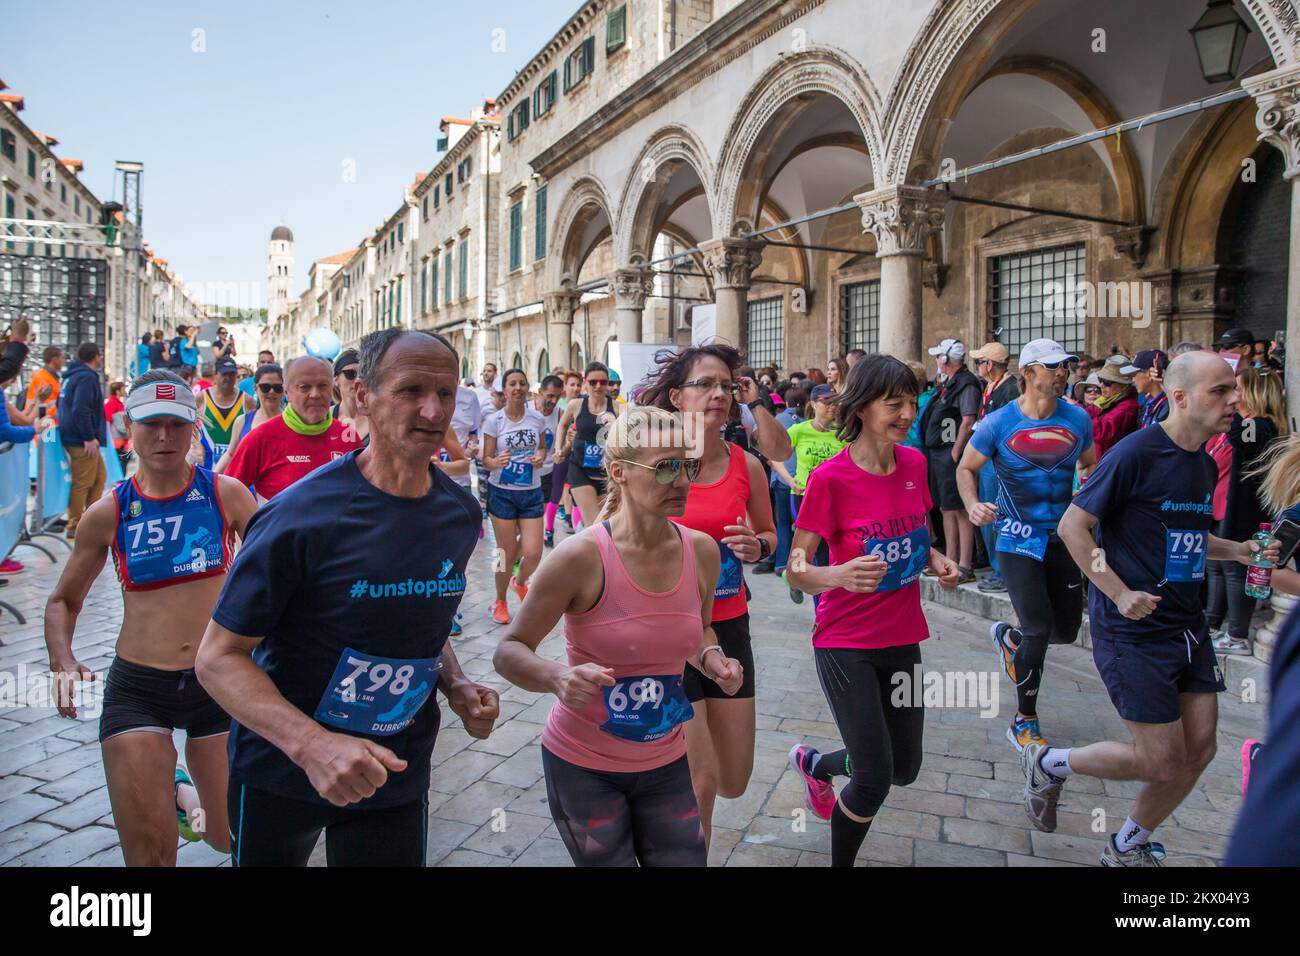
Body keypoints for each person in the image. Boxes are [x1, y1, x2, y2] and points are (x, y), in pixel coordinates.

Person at [196, 328, 500, 867]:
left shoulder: (460, 514)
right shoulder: (298, 517)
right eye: (410, 391)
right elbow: (217, 658)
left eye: (446, 393)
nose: (433, 411)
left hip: (395, 766)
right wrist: (313, 744)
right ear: (363, 395)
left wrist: (455, 683)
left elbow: (423, 621)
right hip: (282, 769)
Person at [1045, 352, 1281, 866]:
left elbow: (1188, 535)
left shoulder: (1200, 460)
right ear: (1180, 397)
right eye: (1220, 391)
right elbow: (1072, 527)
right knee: (1159, 758)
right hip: (1133, 629)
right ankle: (1049, 762)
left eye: (1233, 390)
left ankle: (1126, 843)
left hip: (1186, 625)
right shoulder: (1135, 453)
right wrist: (1118, 592)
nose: (1234, 400)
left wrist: (1237, 550)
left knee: (1199, 750)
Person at [493, 407, 744, 866]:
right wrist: (557, 678)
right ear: (619, 473)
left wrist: (711, 659)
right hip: (583, 764)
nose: (683, 480)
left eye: (688, 465)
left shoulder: (703, 552)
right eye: (665, 467)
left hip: (667, 759)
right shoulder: (580, 557)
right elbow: (509, 651)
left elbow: (700, 628)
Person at [44, 370, 258, 864]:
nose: (164, 437)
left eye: (177, 425)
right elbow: (63, 600)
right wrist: (63, 660)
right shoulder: (108, 512)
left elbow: (281, 573)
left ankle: (183, 796)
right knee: (150, 856)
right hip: (138, 688)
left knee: (227, 838)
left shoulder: (227, 495)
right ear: (128, 427)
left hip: (218, 680)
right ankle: (169, 789)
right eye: (151, 424)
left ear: (194, 427)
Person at [785, 355, 961, 866]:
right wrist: (835, 576)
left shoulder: (914, 464)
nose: (907, 413)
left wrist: (936, 558)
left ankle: (817, 765)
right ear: (860, 408)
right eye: (894, 403)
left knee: (903, 767)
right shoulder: (831, 479)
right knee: (872, 778)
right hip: (845, 642)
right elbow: (796, 566)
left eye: (912, 401)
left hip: (902, 636)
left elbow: (914, 536)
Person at [640, 343, 776, 847]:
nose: (719, 393)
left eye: (727, 385)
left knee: (733, 778)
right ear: (676, 396)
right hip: (671, 631)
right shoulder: (656, 462)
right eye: (705, 384)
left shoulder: (748, 465)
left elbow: (769, 534)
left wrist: (756, 544)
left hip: (730, 624)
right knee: (701, 782)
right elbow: (615, 535)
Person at [958, 339, 1096, 751]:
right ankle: (1025, 720)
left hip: (1064, 537)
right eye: (1054, 366)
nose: (1063, 373)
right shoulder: (999, 422)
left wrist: (1084, 489)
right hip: (1017, 538)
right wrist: (972, 504)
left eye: (1066, 366)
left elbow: (1090, 464)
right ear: (1029, 373)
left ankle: (1012, 641)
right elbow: (966, 467)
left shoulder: (1078, 418)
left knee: (1066, 631)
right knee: (1038, 627)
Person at [1205, 366, 1288, 655]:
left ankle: (1237, 635)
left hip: (1247, 510)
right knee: (1217, 566)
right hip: (1230, 506)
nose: (1231, 396)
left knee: (1236, 569)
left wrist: (1235, 414)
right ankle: (1213, 625)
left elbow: (1240, 439)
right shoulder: (1252, 423)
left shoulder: (1260, 425)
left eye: (1236, 389)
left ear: (1253, 392)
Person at [223, 356, 363, 503]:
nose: (315, 394)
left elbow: (363, 497)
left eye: (322, 386)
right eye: (304, 387)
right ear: (287, 393)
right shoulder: (260, 438)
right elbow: (226, 496)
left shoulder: (348, 436)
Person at [481, 368, 548, 625]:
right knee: (504, 553)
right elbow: (485, 460)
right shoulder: (494, 421)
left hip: (530, 492)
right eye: (512, 384)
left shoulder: (536, 419)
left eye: (521, 383)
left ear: (527, 387)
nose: (517, 388)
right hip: (502, 493)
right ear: (504, 390)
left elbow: (542, 447)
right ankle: (499, 600)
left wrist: (541, 456)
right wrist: (495, 461)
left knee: (533, 553)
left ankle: (518, 582)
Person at [920, 338, 980, 583]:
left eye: (938, 357)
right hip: (940, 454)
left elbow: (968, 420)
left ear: (945, 359)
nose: (936, 361)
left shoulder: (966, 384)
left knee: (960, 509)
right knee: (946, 508)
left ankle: (965, 563)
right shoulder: (950, 383)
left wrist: (956, 453)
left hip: (950, 455)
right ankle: (951, 558)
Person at [783, 384, 848, 603]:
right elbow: (772, 452)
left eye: (835, 402)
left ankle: (802, 582)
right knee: (810, 551)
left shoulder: (843, 434)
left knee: (829, 553)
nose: (832, 407)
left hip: (836, 501)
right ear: (813, 404)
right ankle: (801, 584)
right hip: (803, 498)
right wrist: (790, 479)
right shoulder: (800, 430)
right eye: (826, 402)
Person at [969, 341, 1019, 593]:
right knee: (987, 514)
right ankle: (997, 569)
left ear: (989, 365)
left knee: (997, 514)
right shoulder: (990, 386)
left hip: (999, 460)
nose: (977, 366)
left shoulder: (1011, 389)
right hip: (986, 457)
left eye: (979, 362)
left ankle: (1004, 573)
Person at [557, 361, 621, 527]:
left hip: (606, 473)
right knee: (595, 523)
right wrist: (559, 448)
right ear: (586, 383)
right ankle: (585, 539)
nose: (598, 386)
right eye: (593, 382)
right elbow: (563, 424)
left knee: (605, 522)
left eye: (603, 382)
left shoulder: (618, 407)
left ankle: (582, 536)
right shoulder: (576, 405)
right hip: (580, 469)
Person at [57, 342, 110, 541]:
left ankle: (90, 520)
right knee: (83, 481)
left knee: (98, 477)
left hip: (76, 436)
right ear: (95, 356)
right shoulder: (86, 378)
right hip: (82, 439)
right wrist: (88, 436)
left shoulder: (71, 377)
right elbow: (80, 408)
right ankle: (75, 525)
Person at [215, 364, 284, 474]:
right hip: (245, 489)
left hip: (280, 489)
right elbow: (230, 454)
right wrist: (212, 480)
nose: (271, 392)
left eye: (277, 388)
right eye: (265, 387)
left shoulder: (291, 422)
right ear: (255, 389)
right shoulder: (242, 421)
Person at [1086, 355, 1140, 459]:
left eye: (1107, 382)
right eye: (1100, 380)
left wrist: (1078, 413)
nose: (1101, 385)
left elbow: (1103, 433)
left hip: (1111, 462)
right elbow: (1089, 412)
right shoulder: (1107, 401)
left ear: (1124, 385)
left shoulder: (1128, 407)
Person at [534, 375, 563, 547]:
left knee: (536, 521)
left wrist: (565, 445)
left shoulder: (560, 414)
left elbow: (563, 442)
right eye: (550, 396)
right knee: (516, 527)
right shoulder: (526, 409)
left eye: (558, 397)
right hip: (523, 476)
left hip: (546, 474)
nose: (553, 401)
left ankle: (518, 561)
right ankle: (504, 563)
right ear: (540, 392)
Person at [198, 358, 243, 462]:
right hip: (207, 467)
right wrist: (195, 446)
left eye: (231, 374)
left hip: (234, 467)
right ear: (215, 375)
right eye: (224, 374)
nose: (228, 378)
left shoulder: (246, 400)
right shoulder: (201, 398)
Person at [1123, 350, 1169, 428]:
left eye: (1134, 374)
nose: (1133, 379)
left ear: (1150, 374)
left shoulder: (1168, 405)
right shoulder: (1148, 401)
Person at [331, 349, 369, 443]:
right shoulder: (325, 417)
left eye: (362, 374)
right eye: (350, 374)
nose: (357, 380)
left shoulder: (376, 418)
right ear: (336, 380)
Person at [26, 345, 65, 423]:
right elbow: (45, 406)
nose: (64, 361)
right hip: (44, 425)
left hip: (46, 423)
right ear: (54, 360)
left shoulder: (49, 377)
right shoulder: (43, 378)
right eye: (62, 358)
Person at [104, 381, 131, 474]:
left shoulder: (118, 403)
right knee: (121, 461)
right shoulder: (111, 403)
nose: (125, 391)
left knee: (124, 460)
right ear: (117, 391)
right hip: (116, 439)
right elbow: (107, 420)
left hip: (121, 438)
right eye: (123, 389)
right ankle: (119, 482)